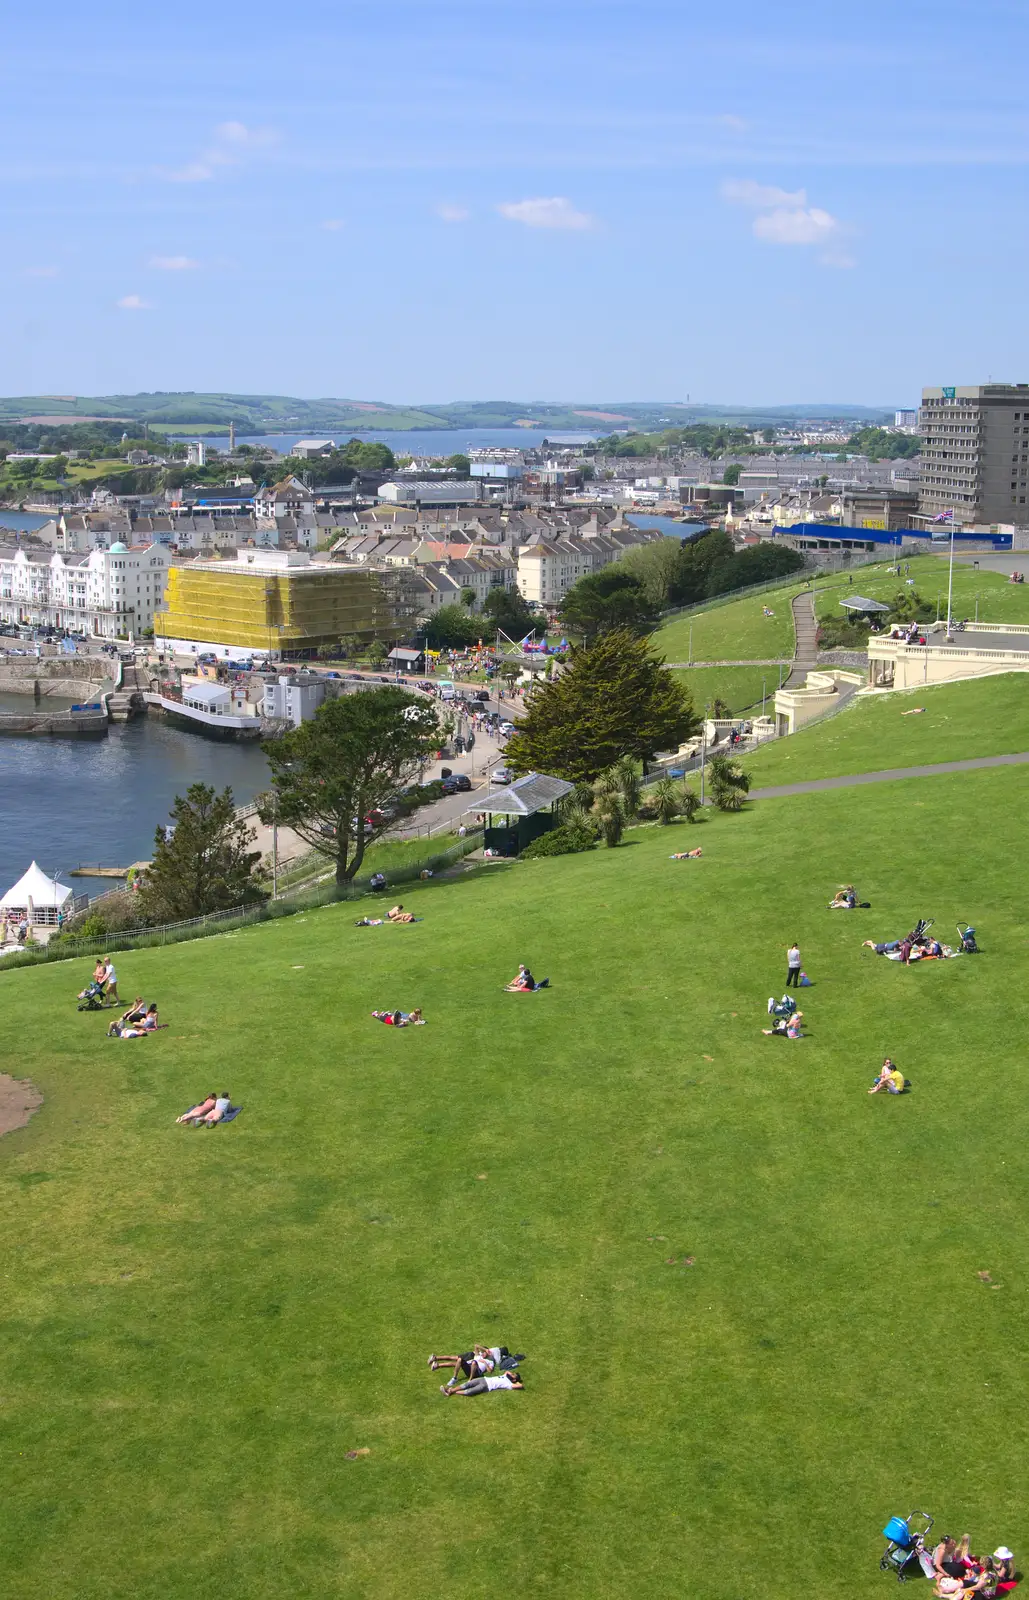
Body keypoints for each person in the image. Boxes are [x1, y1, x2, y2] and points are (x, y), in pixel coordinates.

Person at [442, 1371, 524, 1397]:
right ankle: (450, 1391)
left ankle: (450, 1391)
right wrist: (512, 1377)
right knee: (467, 1384)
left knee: (469, 1392)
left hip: (487, 1386)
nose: (511, 1374)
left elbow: (520, 1385)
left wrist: (515, 1381)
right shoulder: (505, 1376)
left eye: (513, 1375)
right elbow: (507, 1372)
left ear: (514, 1379)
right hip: (484, 1379)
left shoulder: (508, 1384)